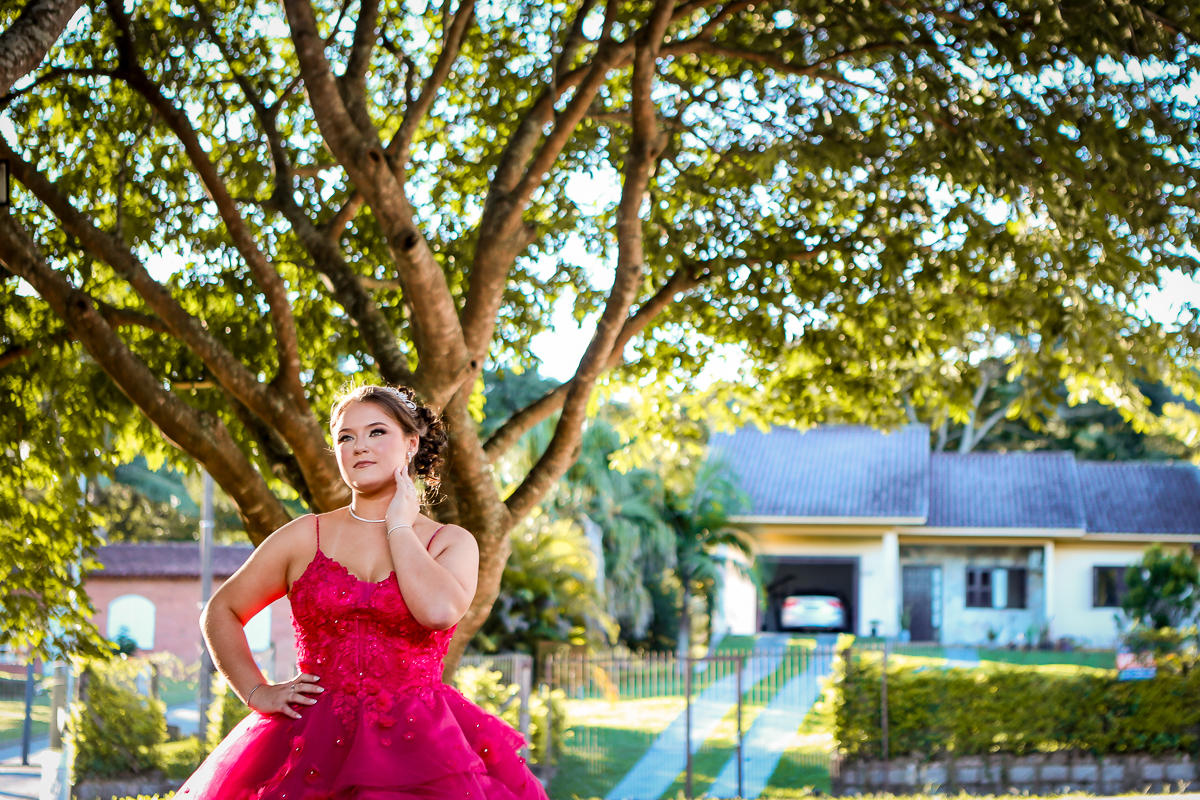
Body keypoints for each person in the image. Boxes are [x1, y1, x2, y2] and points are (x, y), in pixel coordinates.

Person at [176, 384, 548, 800]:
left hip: (422, 748)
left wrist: (399, 527)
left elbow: (439, 612)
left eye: (376, 432)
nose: (358, 447)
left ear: (410, 443)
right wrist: (257, 691)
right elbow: (222, 609)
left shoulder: (451, 541)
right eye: (345, 437)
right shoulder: (304, 536)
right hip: (309, 742)